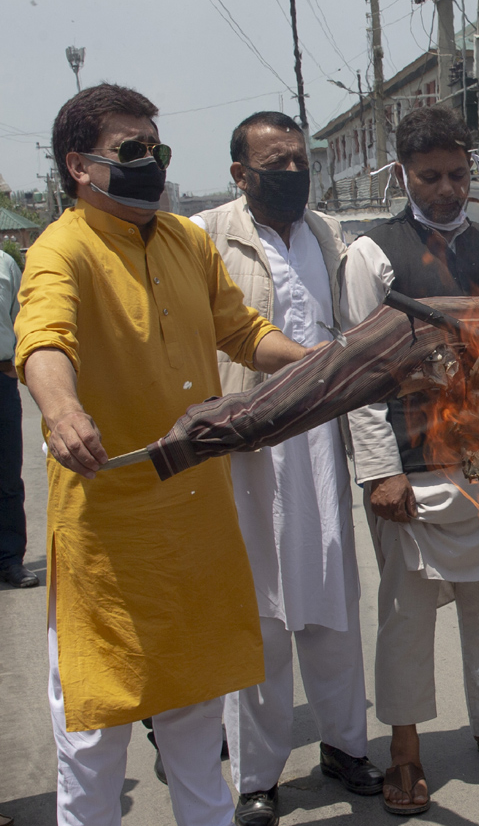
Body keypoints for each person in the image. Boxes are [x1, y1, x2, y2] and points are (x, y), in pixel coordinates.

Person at [16, 83, 310, 826]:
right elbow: (44, 339)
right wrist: (63, 409)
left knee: (195, 726)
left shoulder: (185, 239)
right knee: (95, 737)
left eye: (157, 148)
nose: (151, 162)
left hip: (195, 523)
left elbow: (241, 330)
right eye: (131, 151)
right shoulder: (62, 248)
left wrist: (317, 361)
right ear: (80, 167)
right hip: (111, 534)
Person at [195, 110, 382, 826]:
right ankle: (258, 777)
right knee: (261, 617)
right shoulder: (209, 234)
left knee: (334, 603)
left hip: (320, 443)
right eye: (277, 163)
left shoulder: (330, 234)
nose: (294, 173)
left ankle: (344, 746)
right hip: (253, 448)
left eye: (301, 160)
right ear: (241, 174)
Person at [341, 105, 479, 816]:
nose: (447, 189)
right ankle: (405, 747)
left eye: (457, 174)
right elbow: (359, 376)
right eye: (430, 176)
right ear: (401, 174)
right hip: (408, 462)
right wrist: (379, 471)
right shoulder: (373, 254)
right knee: (407, 615)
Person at [0, 247, 35, 589]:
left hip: (1, 381)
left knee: (8, 476)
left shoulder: (5, 264)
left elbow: (19, 319)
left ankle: (10, 559)